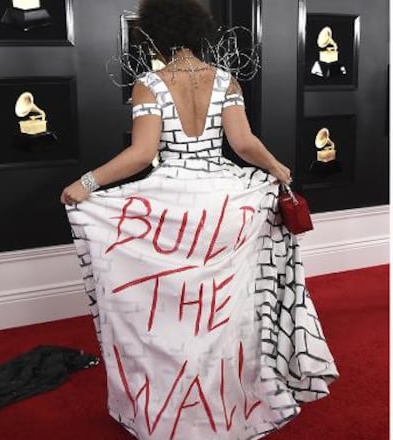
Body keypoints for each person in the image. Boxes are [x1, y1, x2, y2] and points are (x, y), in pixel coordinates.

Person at [59, 1, 338, 438]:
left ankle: (176, 411)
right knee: (228, 309)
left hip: (173, 204)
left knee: (174, 312)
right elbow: (243, 143)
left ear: (156, 34)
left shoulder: (149, 84)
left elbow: (142, 155)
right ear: (200, 30)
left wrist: (87, 184)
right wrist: (276, 167)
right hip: (226, 201)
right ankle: (232, 403)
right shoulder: (225, 80)